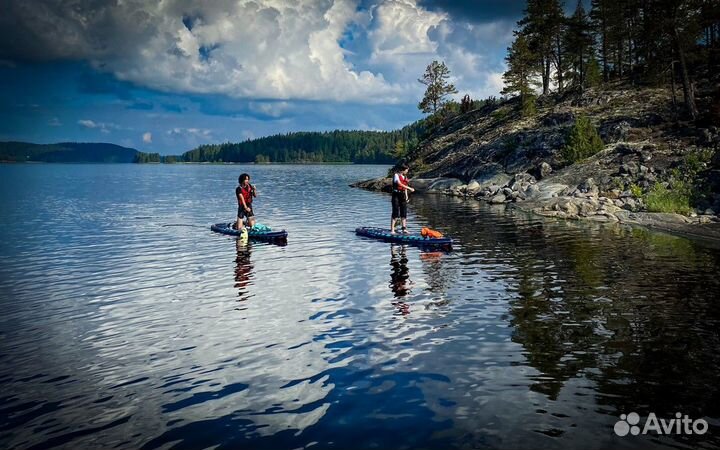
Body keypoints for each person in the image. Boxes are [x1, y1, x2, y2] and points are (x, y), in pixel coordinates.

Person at [390, 165, 415, 234]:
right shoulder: (396, 175)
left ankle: (404, 229)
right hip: (396, 195)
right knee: (395, 212)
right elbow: (399, 184)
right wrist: (410, 188)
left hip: (403, 195)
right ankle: (392, 230)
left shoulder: (405, 177)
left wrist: (406, 196)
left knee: (403, 212)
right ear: (403, 170)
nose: (407, 171)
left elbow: (404, 188)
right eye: (407, 170)